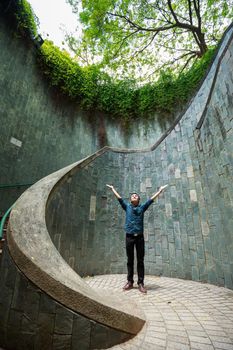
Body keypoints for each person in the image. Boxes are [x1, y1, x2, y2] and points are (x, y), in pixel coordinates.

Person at [106, 184, 168, 293]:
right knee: (130, 260)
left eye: (136, 196)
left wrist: (159, 191)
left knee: (140, 261)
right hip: (129, 237)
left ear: (138, 200)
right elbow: (119, 198)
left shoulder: (142, 207)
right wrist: (112, 189)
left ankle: (140, 283)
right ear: (130, 200)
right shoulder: (127, 207)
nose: (134, 196)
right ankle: (130, 282)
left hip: (139, 238)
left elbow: (151, 200)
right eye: (132, 196)